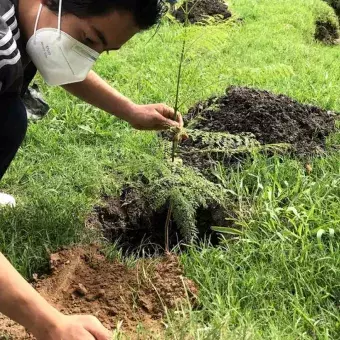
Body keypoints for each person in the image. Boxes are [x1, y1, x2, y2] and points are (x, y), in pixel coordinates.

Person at [0, 0, 183, 338]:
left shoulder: (32, 17)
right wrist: (50, 323)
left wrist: (130, 111)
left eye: (101, 49)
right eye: (89, 38)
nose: (86, 54)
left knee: (10, 116)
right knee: (8, 118)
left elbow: (61, 58)